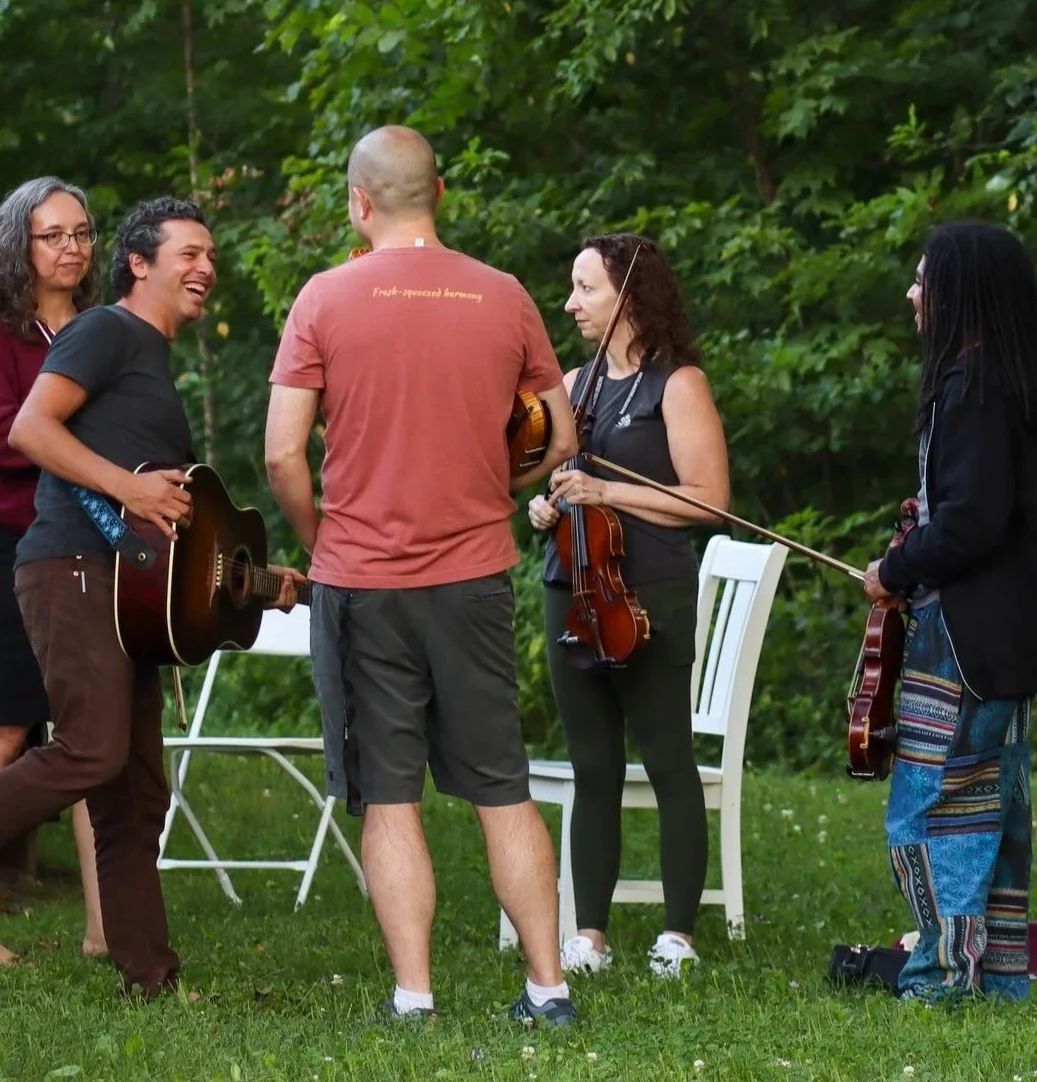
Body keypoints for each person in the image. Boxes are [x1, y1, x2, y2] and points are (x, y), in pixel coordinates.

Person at [0, 197, 304, 996]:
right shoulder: (104, 331)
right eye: (188, 252)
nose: (206, 267)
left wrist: (259, 583)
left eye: (211, 253)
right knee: (90, 748)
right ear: (138, 263)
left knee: (135, 792)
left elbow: (172, 520)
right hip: (70, 571)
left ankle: (148, 974)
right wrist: (126, 489)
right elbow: (29, 430)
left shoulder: (151, 357)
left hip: (133, 592)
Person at [264, 125, 580, 1026]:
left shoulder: (323, 298)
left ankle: (414, 997)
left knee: (390, 793)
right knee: (502, 786)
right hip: (475, 574)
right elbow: (561, 435)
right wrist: (499, 482)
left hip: (361, 582)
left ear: (359, 202)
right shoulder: (505, 294)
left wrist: (321, 537)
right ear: (438, 192)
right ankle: (547, 987)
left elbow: (284, 453)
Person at [859, 220, 1037, 1002]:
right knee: (995, 807)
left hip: (966, 637)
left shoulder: (973, 385)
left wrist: (894, 568)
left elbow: (973, 523)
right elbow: (1001, 506)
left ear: (961, 292)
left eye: (924, 279)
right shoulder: (1019, 381)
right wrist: (930, 513)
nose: (913, 294)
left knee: (934, 803)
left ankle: (943, 976)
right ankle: (998, 977)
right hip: (1008, 632)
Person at [526, 234, 730, 979]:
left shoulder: (677, 385)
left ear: (630, 298)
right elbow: (550, 481)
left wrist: (608, 491)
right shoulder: (574, 385)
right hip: (569, 589)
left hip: (649, 594)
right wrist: (545, 508)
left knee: (668, 760)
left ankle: (678, 933)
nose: (571, 303)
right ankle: (590, 934)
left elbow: (708, 500)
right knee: (593, 766)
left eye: (585, 288)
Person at [0, 176, 107, 966]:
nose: (71, 247)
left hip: (90, 548)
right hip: (4, 544)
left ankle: (107, 932)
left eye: (81, 233)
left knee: (93, 735)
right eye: (53, 235)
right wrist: (83, 443)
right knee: (0, 731)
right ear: (19, 244)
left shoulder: (102, 329)